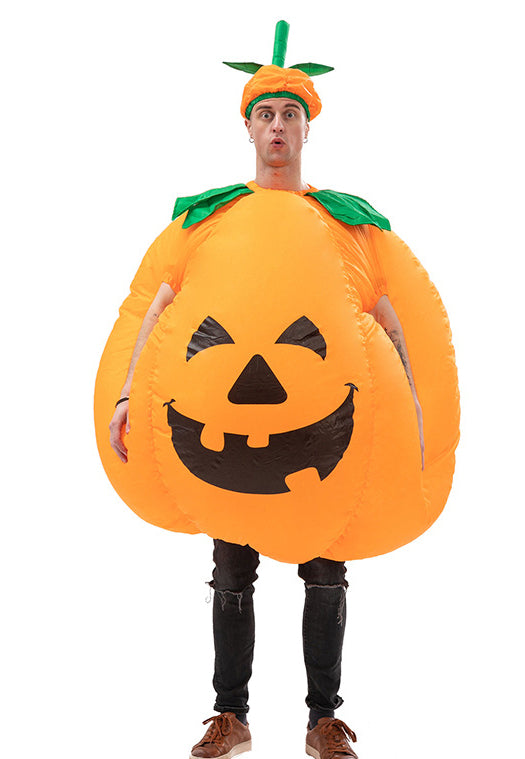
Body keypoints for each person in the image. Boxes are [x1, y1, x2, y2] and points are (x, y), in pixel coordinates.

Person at [109, 79, 424, 759]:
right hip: (219, 432)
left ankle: (323, 720)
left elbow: (390, 321)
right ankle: (231, 716)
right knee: (230, 575)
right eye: (265, 115)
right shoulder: (210, 222)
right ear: (248, 129)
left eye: (289, 114)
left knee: (326, 576)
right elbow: (158, 310)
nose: (277, 125)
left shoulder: (344, 226)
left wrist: (411, 413)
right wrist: (129, 393)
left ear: (307, 129)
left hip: (321, 433)